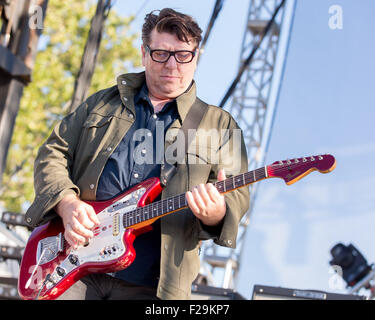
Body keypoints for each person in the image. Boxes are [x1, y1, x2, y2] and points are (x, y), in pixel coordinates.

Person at [25, 8, 250, 300]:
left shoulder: (221, 125)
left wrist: (216, 213)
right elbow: (52, 152)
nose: (172, 64)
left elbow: (238, 195)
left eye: (183, 55)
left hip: (153, 286)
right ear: (144, 53)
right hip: (74, 266)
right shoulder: (102, 103)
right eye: (161, 53)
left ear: (196, 58)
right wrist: (67, 204)